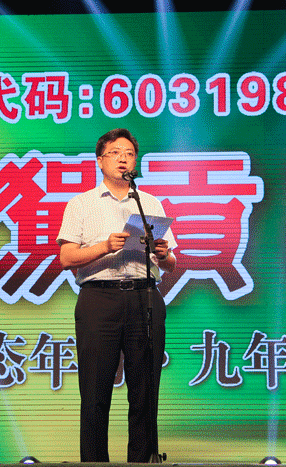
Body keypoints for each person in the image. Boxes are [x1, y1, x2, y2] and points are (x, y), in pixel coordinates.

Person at [56, 128, 177, 463]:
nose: (123, 159)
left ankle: (141, 461)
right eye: (115, 153)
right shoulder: (81, 203)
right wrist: (104, 247)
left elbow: (171, 263)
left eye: (129, 154)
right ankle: (95, 464)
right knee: (95, 391)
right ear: (100, 160)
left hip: (144, 297)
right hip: (100, 299)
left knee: (145, 392)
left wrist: (164, 253)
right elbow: (66, 257)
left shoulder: (148, 203)